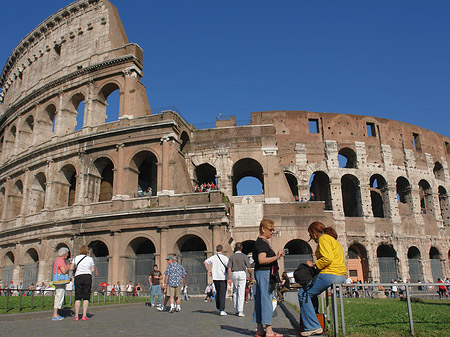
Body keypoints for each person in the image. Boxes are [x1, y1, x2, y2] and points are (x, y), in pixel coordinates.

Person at [298, 221, 346, 336]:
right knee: (311, 294)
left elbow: (327, 258)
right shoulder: (333, 240)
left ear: (315, 233)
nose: (311, 238)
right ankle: (315, 320)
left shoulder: (323, 239)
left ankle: (313, 326)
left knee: (303, 293)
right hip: (341, 275)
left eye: (311, 235)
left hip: (330, 274)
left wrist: (314, 265)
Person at [252, 218, 285, 337]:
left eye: (273, 230)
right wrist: (276, 256)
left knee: (260, 300)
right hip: (264, 273)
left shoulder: (262, 242)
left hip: (262, 273)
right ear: (263, 229)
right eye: (270, 229)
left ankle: (260, 330)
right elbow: (262, 260)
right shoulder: (261, 242)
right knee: (266, 301)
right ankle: (269, 331)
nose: (272, 232)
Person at [227, 242, 252, 317]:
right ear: (241, 248)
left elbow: (229, 268)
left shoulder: (232, 257)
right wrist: (251, 274)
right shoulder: (244, 256)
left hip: (234, 273)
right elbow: (249, 268)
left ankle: (236, 309)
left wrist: (229, 278)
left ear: (235, 248)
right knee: (241, 292)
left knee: (235, 291)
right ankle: (240, 310)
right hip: (242, 273)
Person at [204, 244, 229, 316]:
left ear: (216, 250)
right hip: (222, 277)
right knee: (222, 293)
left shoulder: (213, 257)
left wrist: (208, 270)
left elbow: (205, 262)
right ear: (222, 249)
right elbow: (228, 266)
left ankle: (218, 307)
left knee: (217, 292)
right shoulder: (224, 258)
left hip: (215, 277)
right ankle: (222, 309)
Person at [73, 245, 95, 321]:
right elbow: (92, 270)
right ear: (87, 251)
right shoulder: (90, 259)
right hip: (87, 277)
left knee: (77, 297)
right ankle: (84, 315)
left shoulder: (75, 258)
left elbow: (71, 268)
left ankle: (76, 315)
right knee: (86, 296)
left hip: (78, 277)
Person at [52, 247, 73, 321]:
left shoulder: (58, 260)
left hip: (58, 280)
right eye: (67, 254)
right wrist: (68, 266)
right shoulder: (60, 260)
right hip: (60, 281)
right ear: (64, 254)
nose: (67, 255)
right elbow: (63, 271)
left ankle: (56, 313)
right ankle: (55, 314)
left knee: (58, 296)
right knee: (59, 296)